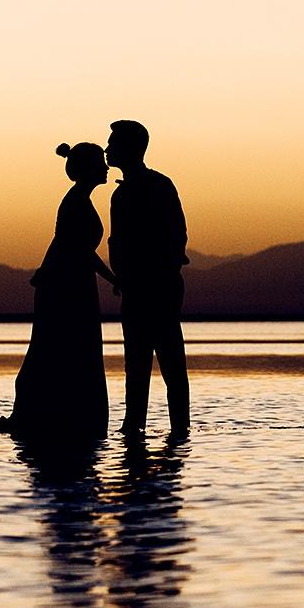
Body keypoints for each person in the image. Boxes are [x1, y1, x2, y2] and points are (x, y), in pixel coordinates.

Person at [0, 142, 116, 447]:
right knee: (60, 351)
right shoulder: (75, 203)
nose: (106, 167)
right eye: (101, 162)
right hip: (66, 289)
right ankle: (61, 422)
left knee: (63, 352)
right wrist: (114, 278)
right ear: (88, 169)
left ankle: (63, 423)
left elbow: (75, 248)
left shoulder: (79, 201)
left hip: (70, 285)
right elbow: (78, 250)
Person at [106, 119, 190, 439]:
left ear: (130, 148)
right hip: (135, 287)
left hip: (159, 287)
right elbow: (119, 243)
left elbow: (176, 233)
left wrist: (159, 270)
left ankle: (179, 428)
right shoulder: (122, 193)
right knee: (136, 364)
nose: (107, 149)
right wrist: (122, 276)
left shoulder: (158, 185)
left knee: (170, 362)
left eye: (113, 143)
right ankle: (134, 427)